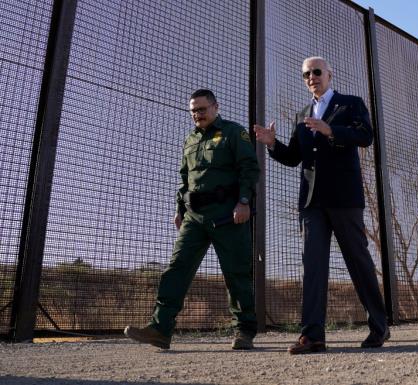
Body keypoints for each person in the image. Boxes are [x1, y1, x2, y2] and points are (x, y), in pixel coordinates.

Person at [254, 56, 389, 354]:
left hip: (344, 199)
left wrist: (332, 132)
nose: (311, 77)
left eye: (317, 72)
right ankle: (313, 335)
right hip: (312, 203)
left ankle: (379, 326)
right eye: (306, 74)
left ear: (330, 74)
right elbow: (294, 157)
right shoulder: (303, 113)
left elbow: (366, 136)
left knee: (359, 263)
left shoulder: (350, 103)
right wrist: (272, 144)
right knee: (313, 266)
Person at [124, 89, 260, 349]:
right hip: (194, 218)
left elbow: (249, 168)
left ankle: (244, 330)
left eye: (202, 109)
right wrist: (179, 209)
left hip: (228, 215)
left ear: (215, 107)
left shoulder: (233, 132)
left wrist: (244, 202)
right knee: (177, 269)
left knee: (236, 274)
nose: (197, 114)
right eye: (193, 111)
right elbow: (184, 179)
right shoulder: (190, 140)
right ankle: (161, 329)